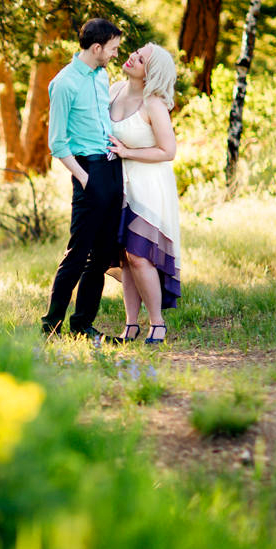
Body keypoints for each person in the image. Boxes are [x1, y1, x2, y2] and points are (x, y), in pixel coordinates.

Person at [41, 19, 123, 342]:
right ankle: (51, 326)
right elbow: (58, 144)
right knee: (78, 254)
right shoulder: (63, 84)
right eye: (113, 49)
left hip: (111, 168)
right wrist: (86, 180)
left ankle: (82, 325)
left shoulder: (102, 76)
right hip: (87, 172)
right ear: (97, 48)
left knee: (102, 256)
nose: (116, 55)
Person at [107, 43, 181, 344]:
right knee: (125, 258)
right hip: (118, 185)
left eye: (139, 59)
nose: (131, 57)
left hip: (148, 187)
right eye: (135, 52)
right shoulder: (113, 90)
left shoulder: (154, 104)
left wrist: (128, 151)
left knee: (139, 256)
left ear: (150, 71)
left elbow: (168, 151)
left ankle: (157, 323)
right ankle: (131, 324)